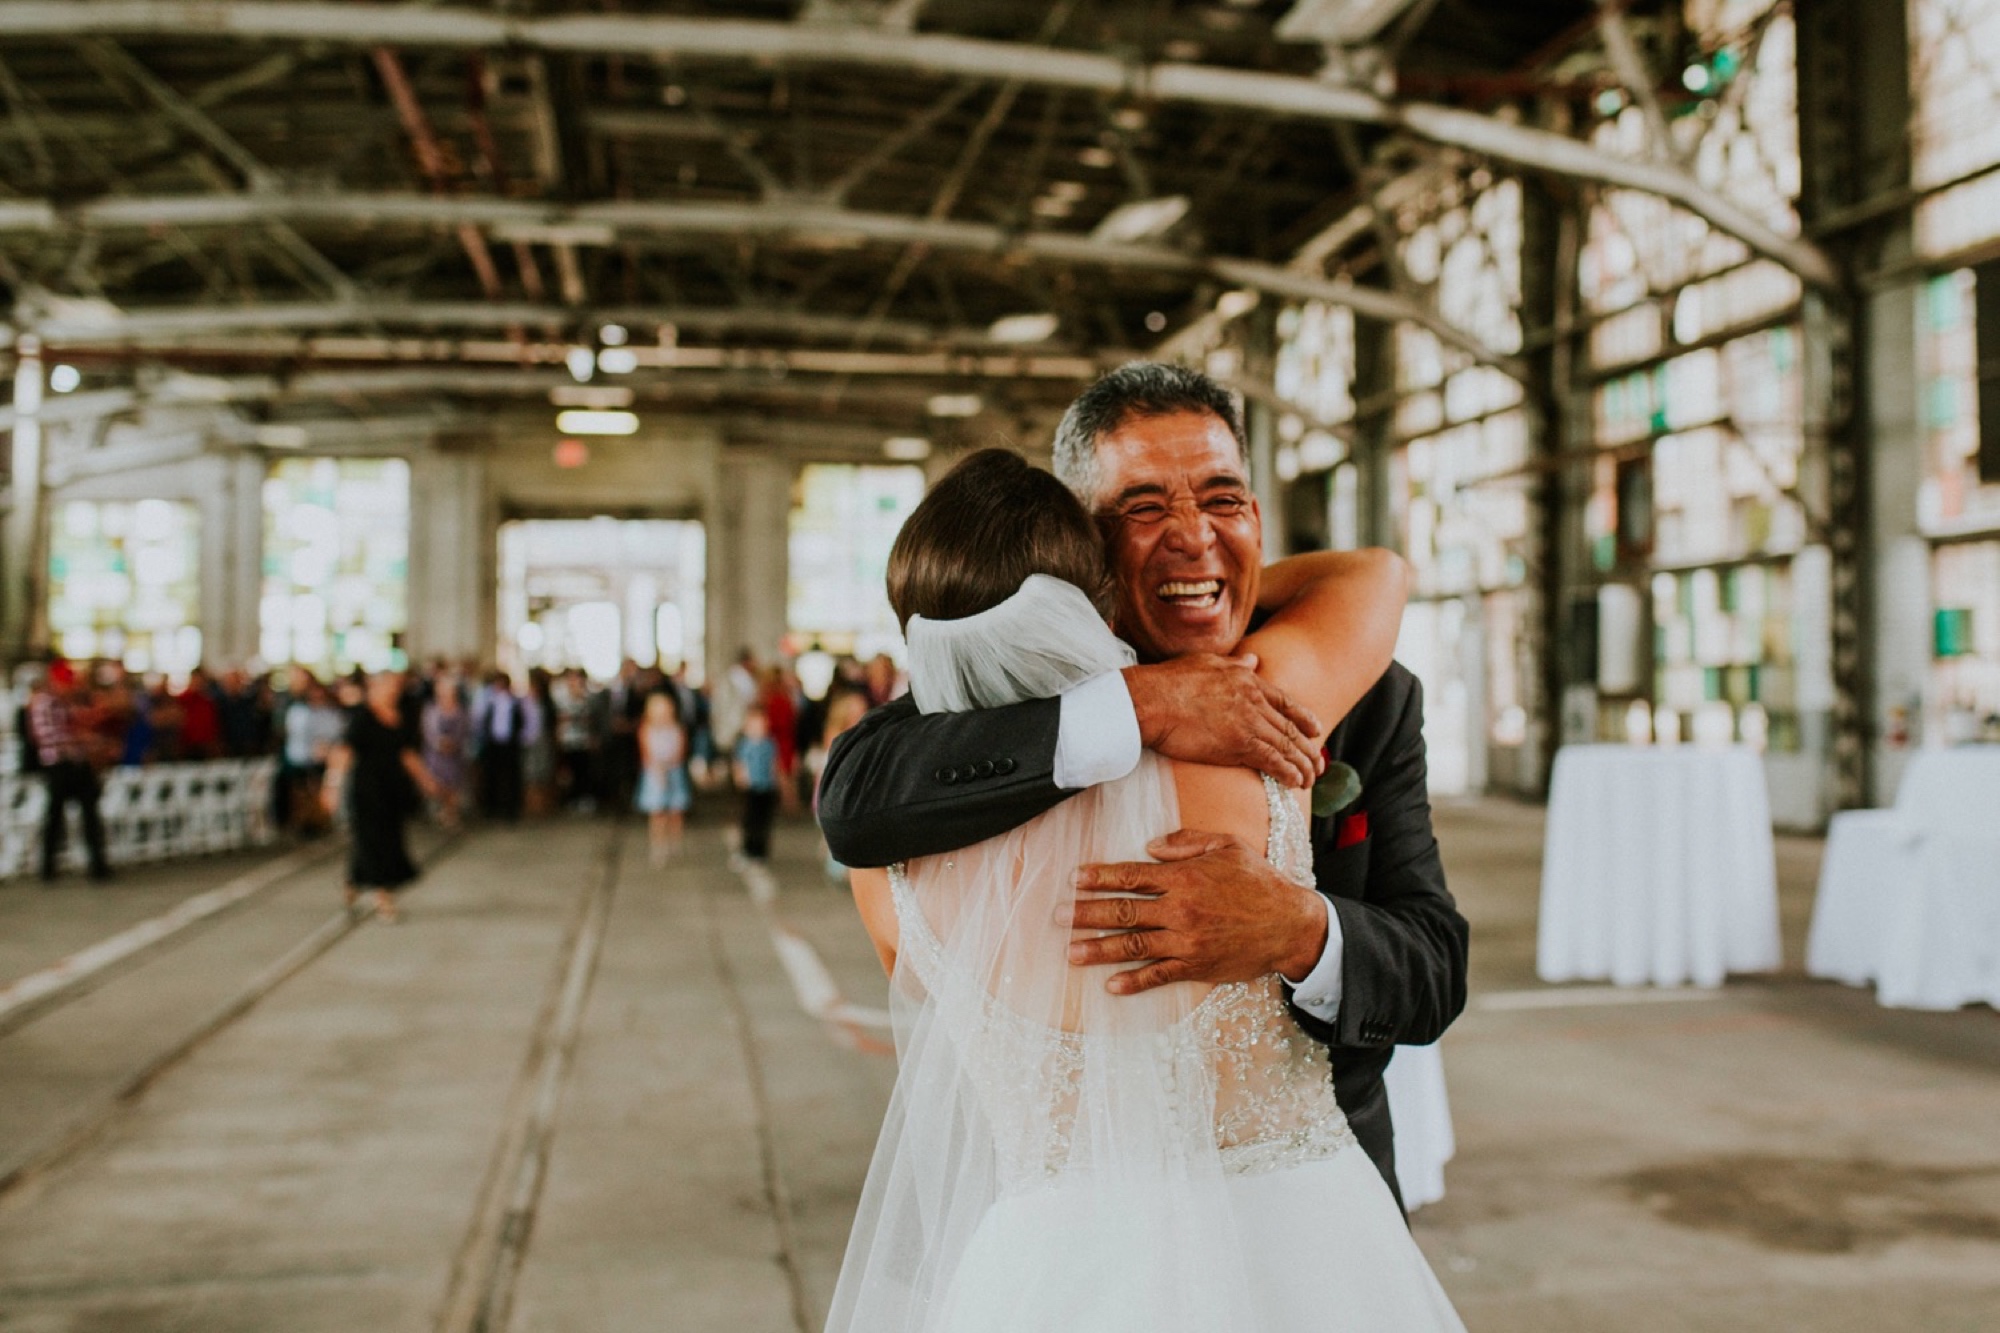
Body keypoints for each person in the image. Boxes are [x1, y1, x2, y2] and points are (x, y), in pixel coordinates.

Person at [825, 448, 1461, 1331]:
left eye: (1220, 499)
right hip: (1300, 1242)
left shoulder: (886, 870)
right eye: (1146, 513)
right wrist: (1186, 608)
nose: (1191, 535)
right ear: (1095, 598)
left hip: (1051, 1274)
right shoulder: (1245, 733)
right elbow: (1375, 575)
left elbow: (928, 985)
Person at [324, 670, 440, 923]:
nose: (393, 692)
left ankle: (353, 885)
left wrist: (427, 781)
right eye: (388, 687)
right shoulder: (363, 718)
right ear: (374, 689)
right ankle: (383, 898)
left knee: (387, 840)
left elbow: (406, 754)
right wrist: (332, 787)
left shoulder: (399, 718)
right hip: (367, 791)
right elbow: (343, 753)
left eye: (396, 688)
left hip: (392, 790)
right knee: (371, 842)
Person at [26, 660, 112, 883]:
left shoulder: (67, 702)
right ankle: (48, 868)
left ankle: (97, 866)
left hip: (76, 762)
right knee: (55, 817)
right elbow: (50, 736)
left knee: (90, 814)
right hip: (59, 766)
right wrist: (82, 738)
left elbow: (84, 723)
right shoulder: (45, 703)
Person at [635, 689, 691, 865]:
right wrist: (658, 769)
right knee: (657, 812)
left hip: (673, 771)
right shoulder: (646, 729)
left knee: (675, 811)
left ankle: (674, 843)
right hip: (654, 774)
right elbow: (646, 753)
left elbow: (680, 751)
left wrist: (669, 764)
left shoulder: (677, 729)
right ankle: (658, 846)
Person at [474, 671, 525, 822]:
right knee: (492, 776)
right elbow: (482, 721)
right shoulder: (490, 701)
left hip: (509, 745)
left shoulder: (515, 702)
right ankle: (492, 808)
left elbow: (521, 722)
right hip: (493, 744)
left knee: (511, 777)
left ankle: (511, 809)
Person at [420, 674, 470, 829]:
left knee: (453, 785)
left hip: (454, 754)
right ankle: (441, 811)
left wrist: (453, 743)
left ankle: (451, 813)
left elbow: (463, 730)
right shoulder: (432, 710)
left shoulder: (460, 710)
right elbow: (429, 731)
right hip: (436, 754)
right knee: (438, 783)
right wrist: (439, 743)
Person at [733, 705, 780, 863]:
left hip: (766, 787)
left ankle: (761, 850)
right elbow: (739, 764)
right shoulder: (745, 745)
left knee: (763, 820)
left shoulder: (769, 744)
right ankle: (748, 848)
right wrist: (740, 778)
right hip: (751, 788)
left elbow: (774, 764)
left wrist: (777, 781)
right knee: (750, 820)